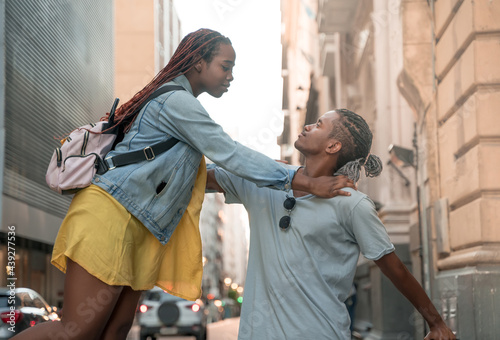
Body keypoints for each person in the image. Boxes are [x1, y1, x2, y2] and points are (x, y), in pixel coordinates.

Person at [13, 29, 353, 340]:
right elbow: (229, 151)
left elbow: (199, 178)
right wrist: (300, 179)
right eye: (225, 66)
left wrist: (271, 175)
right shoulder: (176, 102)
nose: (231, 76)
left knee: (114, 331)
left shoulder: (182, 108)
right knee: (77, 331)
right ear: (198, 61)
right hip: (110, 217)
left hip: (142, 231)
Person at [206, 109, 457, 340]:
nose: (306, 126)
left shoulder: (351, 203)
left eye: (318, 124)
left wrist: (437, 324)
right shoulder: (263, 181)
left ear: (333, 145)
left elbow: (395, 268)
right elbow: (197, 177)